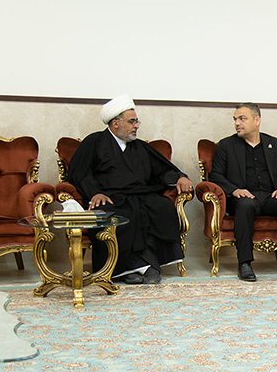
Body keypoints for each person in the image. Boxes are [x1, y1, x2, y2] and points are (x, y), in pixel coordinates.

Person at [67, 95, 194, 285]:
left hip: (141, 195)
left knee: (161, 206)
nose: (136, 126)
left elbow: (162, 171)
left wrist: (179, 177)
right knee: (119, 213)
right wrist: (94, 193)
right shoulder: (94, 141)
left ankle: (136, 268)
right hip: (109, 198)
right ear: (115, 123)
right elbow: (79, 173)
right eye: (132, 121)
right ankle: (140, 268)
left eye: (137, 122)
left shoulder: (140, 147)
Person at [209, 103, 277, 282]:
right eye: (235, 119)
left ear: (257, 120)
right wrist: (234, 190)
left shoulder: (275, 144)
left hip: (271, 196)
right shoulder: (226, 145)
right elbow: (215, 175)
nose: (237, 123)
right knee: (245, 206)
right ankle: (244, 263)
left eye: (242, 119)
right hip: (243, 197)